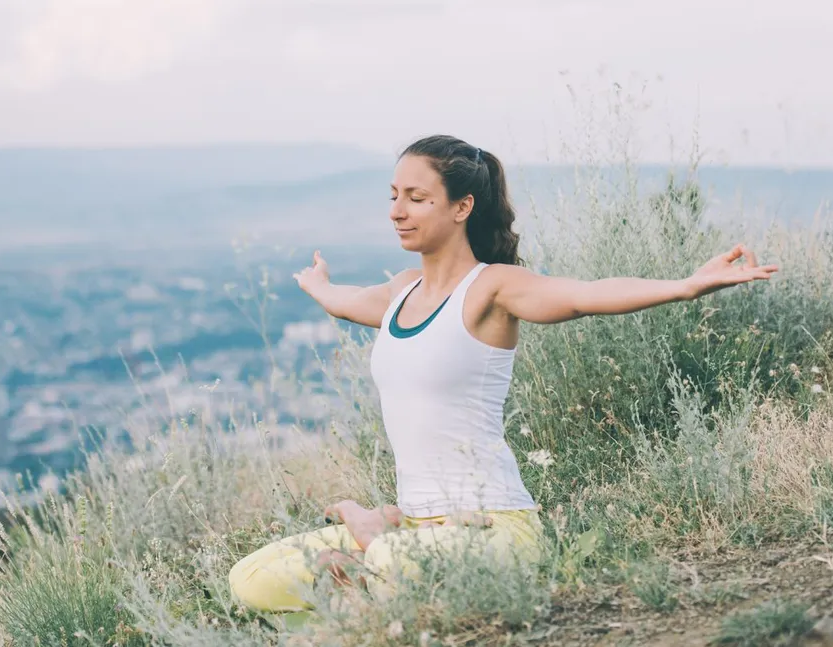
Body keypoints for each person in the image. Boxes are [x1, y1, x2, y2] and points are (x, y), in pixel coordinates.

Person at [226, 134, 778, 617]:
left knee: (391, 559)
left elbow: (585, 295)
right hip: (419, 529)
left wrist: (682, 285)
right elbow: (345, 302)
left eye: (417, 199)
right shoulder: (402, 291)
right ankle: (375, 581)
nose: (398, 210)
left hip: (495, 528)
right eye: (394, 196)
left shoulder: (492, 288)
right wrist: (318, 285)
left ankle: (370, 556)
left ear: (463, 206)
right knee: (250, 579)